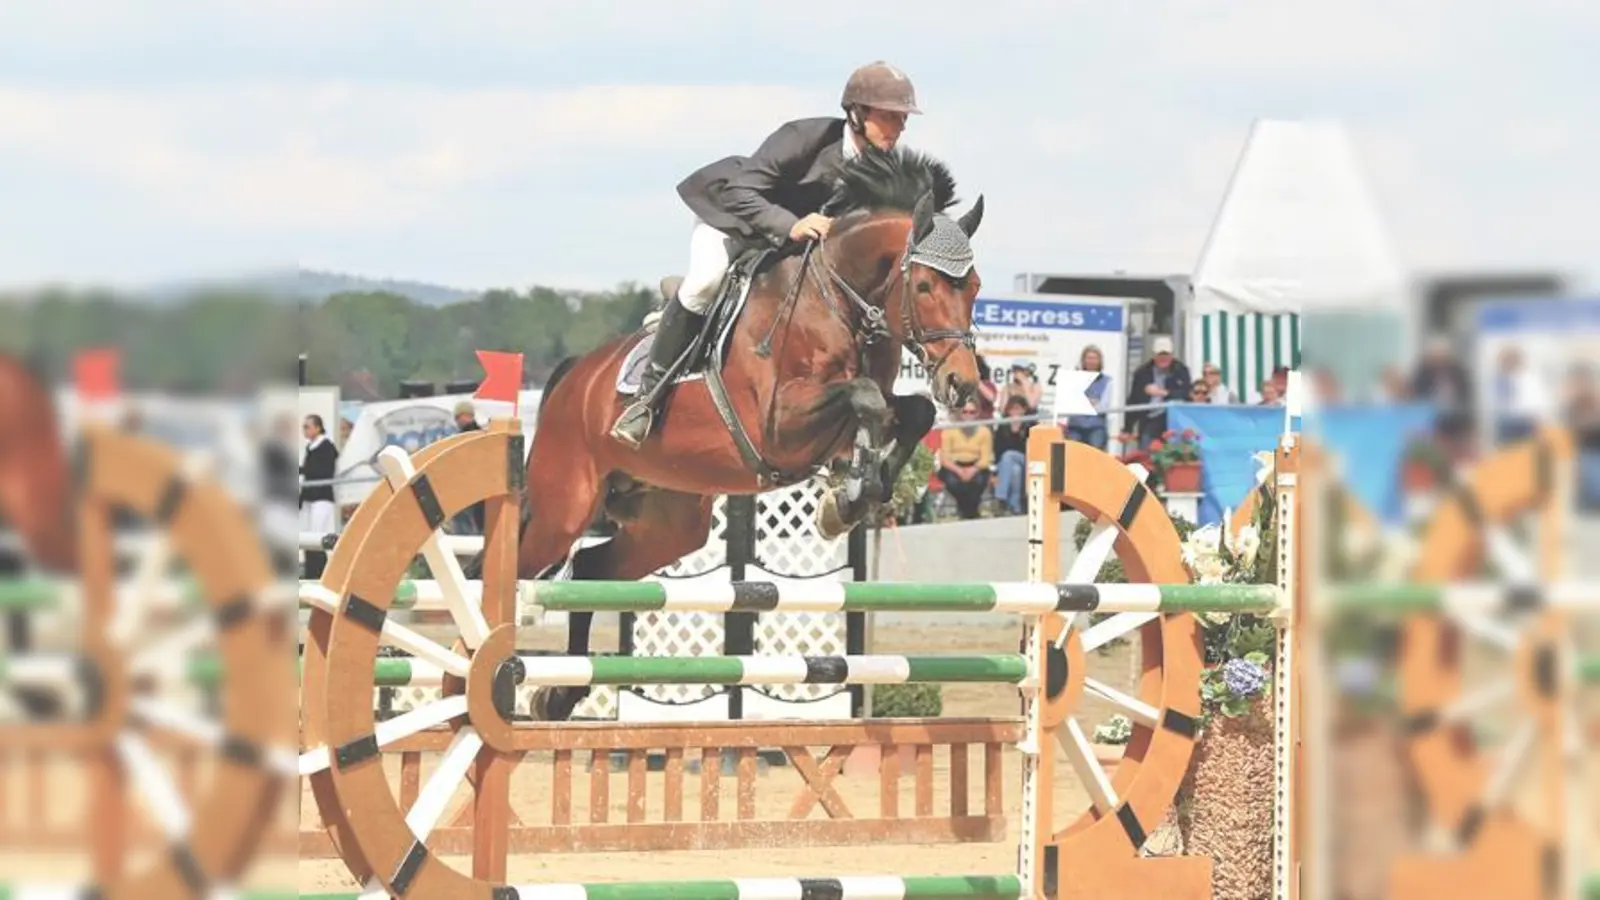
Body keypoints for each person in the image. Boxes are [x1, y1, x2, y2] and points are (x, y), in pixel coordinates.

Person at [612, 61, 924, 448]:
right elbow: (742, 192)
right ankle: (647, 398)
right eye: (891, 116)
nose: (901, 126)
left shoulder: (883, 168)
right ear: (858, 114)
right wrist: (790, 224)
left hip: (790, 247)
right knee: (706, 281)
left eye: (903, 118)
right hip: (733, 221)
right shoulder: (804, 137)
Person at [936, 401, 993, 519]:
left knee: (978, 481)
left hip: (976, 465)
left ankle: (967, 512)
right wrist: (959, 471)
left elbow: (985, 458)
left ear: (977, 414)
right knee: (953, 482)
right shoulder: (949, 431)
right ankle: (969, 512)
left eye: (972, 412)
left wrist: (973, 469)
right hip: (954, 465)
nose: (968, 415)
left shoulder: (984, 432)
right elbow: (945, 458)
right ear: (959, 414)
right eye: (965, 412)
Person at [299, 414, 339, 579]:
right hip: (309, 497)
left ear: (317, 427)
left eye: (307, 427)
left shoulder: (326, 447)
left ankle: (320, 573)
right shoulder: (310, 447)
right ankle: (310, 572)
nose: (305, 431)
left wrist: (304, 470)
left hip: (322, 497)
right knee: (307, 535)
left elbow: (324, 471)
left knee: (317, 534)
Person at [1063, 344, 1112, 450]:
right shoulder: (1074, 379)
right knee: (1072, 454)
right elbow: (1070, 403)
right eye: (1089, 358)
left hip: (1096, 427)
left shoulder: (1107, 381)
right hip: (1075, 426)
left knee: (1095, 454)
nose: (1091, 361)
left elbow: (1103, 407)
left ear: (1100, 361)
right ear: (1083, 360)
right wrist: (1091, 402)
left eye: (1094, 358)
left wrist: (1082, 401)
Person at [992, 395, 1032, 514]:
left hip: (1026, 459)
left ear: (1024, 410)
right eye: (1012, 409)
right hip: (1006, 464)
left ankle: (1000, 497)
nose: (1015, 412)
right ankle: (1015, 507)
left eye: (1018, 409)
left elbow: (1027, 449)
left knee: (1009, 455)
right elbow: (998, 450)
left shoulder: (1030, 425)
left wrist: (1018, 432)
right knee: (1015, 470)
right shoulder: (1003, 426)